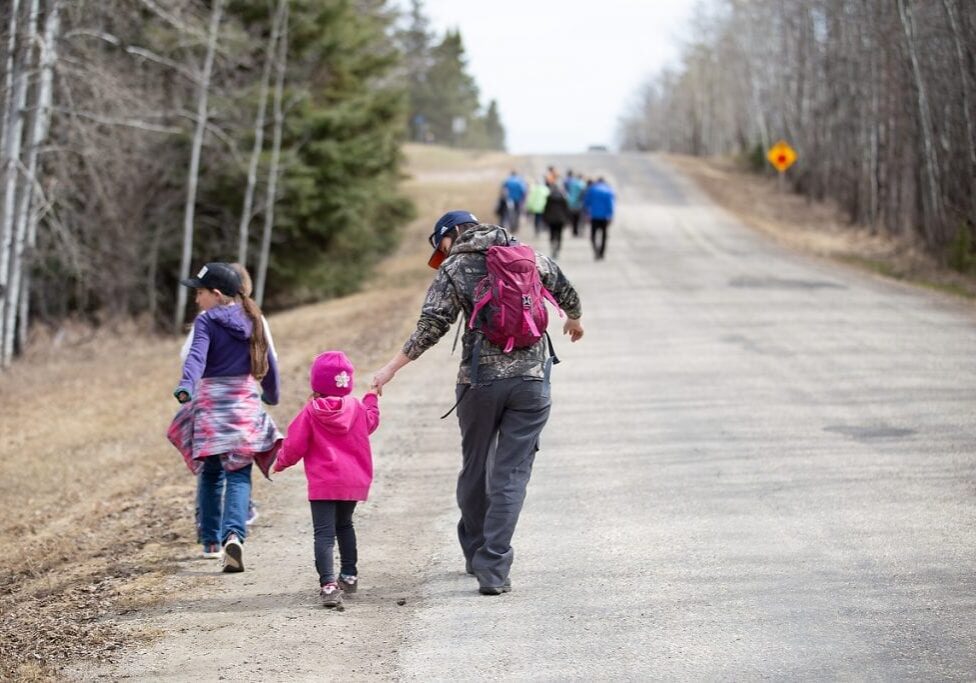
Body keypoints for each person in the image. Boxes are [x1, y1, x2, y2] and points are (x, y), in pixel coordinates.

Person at [372, 211, 584, 596]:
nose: (443, 252)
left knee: (476, 466)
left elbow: (431, 326)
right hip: (532, 382)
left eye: (442, 245)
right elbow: (567, 293)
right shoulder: (527, 255)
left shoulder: (454, 267)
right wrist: (575, 320)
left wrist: (390, 369)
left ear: (450, 235)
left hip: (480, 382)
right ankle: (494, 567)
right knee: (511, 475)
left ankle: (474, 552)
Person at [167, 262, 281, 573]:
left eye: (199, 293)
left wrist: (186, 386)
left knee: (212, 473)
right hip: (243, 409)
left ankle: (211, 542)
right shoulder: (253, 317)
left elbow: (197, 356)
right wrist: (272, 394)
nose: (196, 299)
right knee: (239, 475)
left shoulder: (206, 321)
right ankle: (235, 535)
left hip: (211, 409)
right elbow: (268, 359)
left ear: (216, 295)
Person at [273, 351, 380, 608]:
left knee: (324, 534)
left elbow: (294, 445)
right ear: (348, 382)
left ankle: (329, 585)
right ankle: (349, 575)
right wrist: (371, 397)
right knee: (345, 526)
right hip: (352, 481)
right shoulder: (356, 407)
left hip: (323, 483)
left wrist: (280, 463)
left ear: (316, 383)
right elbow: (372, 422)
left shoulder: (311, 411)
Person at [583, 176, 615, 260]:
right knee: (604, 235)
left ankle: (595, 251)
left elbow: (586, 202)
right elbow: (611, 204)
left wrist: (587, 214)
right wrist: (610, 215)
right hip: (604, 217)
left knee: (593, 235)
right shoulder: (608, 190)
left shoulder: (592, 189)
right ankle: (602, 252)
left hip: (594, 216)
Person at [542, 183, 571, 259]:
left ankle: (552, 246)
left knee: (552, 233)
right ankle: (558, 247)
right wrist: (567, 219)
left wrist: (545, 218)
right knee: (559, 234)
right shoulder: (563, 198)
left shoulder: (549, 197)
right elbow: (566, 210)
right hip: (560, 219)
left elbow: (546, 209)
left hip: (551, 219)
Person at [563, 171, 585, 237]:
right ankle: (577, 231)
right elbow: (583, 194)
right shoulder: (582, 184)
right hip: (579, 204)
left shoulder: (572, 184)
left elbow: (567, 191)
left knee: (573, 219)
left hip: (571, 203)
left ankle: (574, 231)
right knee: (578, 219)